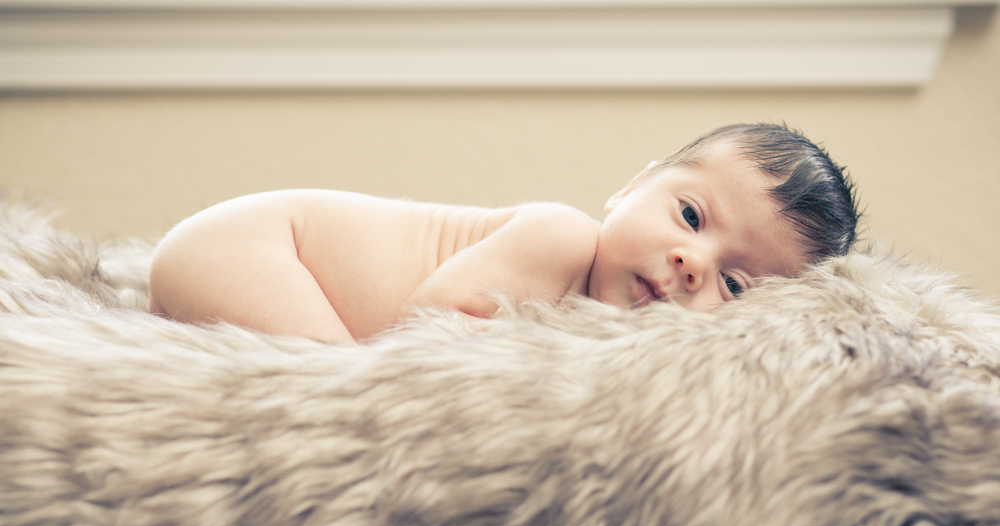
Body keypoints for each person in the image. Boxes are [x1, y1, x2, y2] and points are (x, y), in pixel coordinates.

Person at [149, 123, 859, 343]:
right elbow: (427, 321)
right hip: (258, 246)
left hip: (250, 256)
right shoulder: (562, 238)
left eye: (735, 282)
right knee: (334, 389)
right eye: (692, 217)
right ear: (630, 189)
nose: (690, 263)